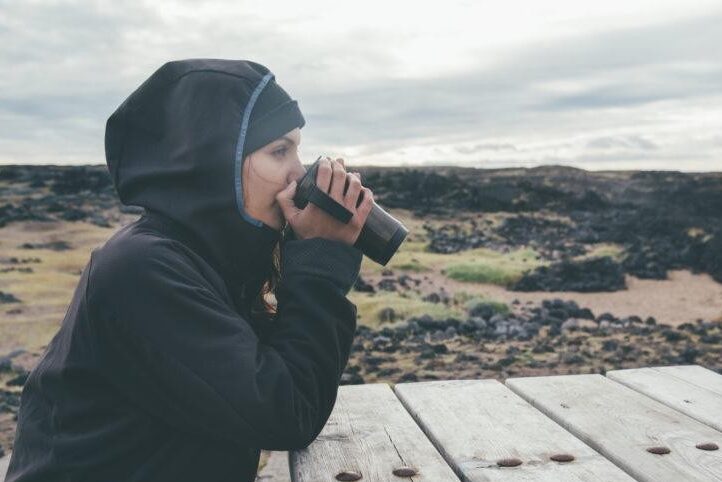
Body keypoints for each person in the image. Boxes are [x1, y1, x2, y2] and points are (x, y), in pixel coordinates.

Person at [5, 59, 374, 482]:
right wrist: (319, 259)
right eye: (279, 151)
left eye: (297, 150)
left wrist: (303, 254)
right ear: (214, 162)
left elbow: (282, 376)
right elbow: (287, 411)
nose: (298, 174)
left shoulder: (204, 260)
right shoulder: (144, 269)